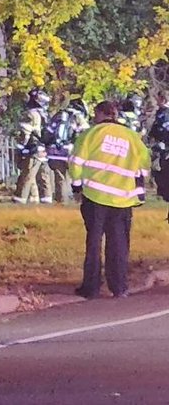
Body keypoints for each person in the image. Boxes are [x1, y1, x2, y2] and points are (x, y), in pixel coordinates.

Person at [69, 100, 151, 299]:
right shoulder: (132, 137)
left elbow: (76, 162)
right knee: (119, 244)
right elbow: (143, 168)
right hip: (122, 199)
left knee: (94, 243)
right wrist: (137, 191)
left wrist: (77, 186)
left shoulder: (91, 134)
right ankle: (119, 286)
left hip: (95, 196)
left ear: (99, 114)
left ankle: (92, 287)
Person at [14, 89, 52, 204]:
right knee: (44, 179)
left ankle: (20, 201)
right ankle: (47, 201)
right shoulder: (45, 114)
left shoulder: (30, 114)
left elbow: (25, 134)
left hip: (33, 151)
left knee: (27, 177)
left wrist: (20, 150)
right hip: (44, 151)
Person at [44, 109, 76, 205]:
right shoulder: (74, 119)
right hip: (70, 153)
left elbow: (47, 135)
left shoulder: (55, 120)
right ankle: (73, 199)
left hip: (57, 154)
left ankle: (61, 201)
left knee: (60, 178)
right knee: (71, 177)